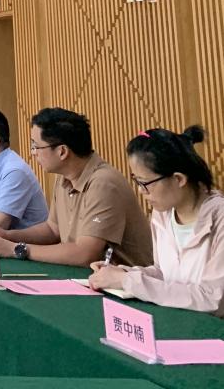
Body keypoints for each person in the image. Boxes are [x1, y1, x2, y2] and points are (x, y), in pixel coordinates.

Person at [0, 108, 152, 266]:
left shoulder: (103, 183)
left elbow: (85, 254)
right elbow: (52, 229)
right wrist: (7, 236)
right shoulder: (65, 177)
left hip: (125, 284)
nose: (33, 153)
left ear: (62, 151)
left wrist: (16, 249)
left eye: (36, 146)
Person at [88, 126, 224, 315]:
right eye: (137, 181)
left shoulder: (219, 218)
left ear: (178, 179)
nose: (141, 191)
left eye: (145, 183)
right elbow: (164, 274)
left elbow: (213, 298)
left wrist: (127, 281)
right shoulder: (163, 214)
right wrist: (122, 273)